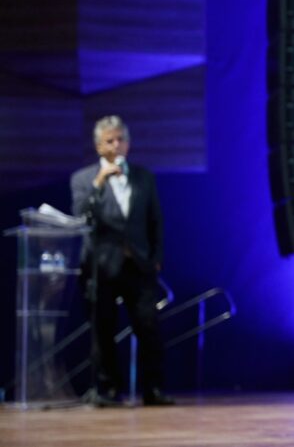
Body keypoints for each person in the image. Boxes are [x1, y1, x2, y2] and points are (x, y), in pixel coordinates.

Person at [71, 115, 173, 407]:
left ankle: (153, 390)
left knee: (148, 327)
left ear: (128, 143)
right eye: (110, 141)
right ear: (98, 146)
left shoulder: (144, 177)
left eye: (121, 139)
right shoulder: (83, 179)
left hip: (138, 265)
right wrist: (99, 182)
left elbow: (155, 220)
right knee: (103, 330)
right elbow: (80, 216)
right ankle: (108, 389)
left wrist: (156, 257)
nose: (116, 145)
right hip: (101, 268)